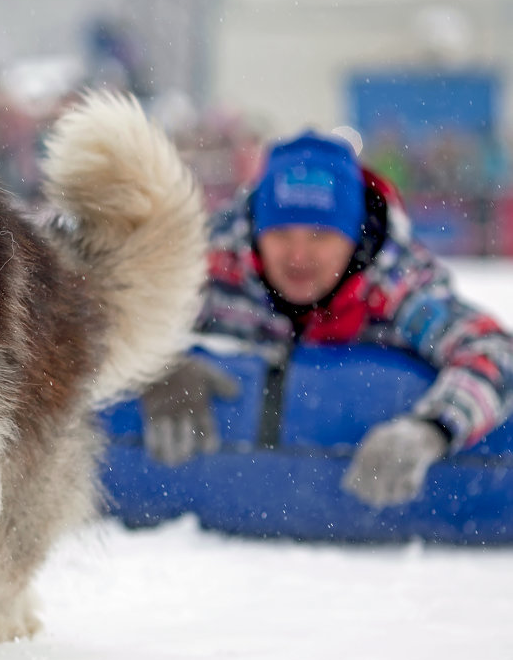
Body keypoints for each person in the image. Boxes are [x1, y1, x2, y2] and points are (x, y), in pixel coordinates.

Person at [142, 130, 513, 507]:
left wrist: (431, 429)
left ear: (353, 233)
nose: (298, 256)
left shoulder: (397, 285)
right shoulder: (212, 264)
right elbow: (108, 311)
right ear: (256, 229)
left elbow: (495, 352)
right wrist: (155, 364)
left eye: (321, 234)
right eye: (281, 233)